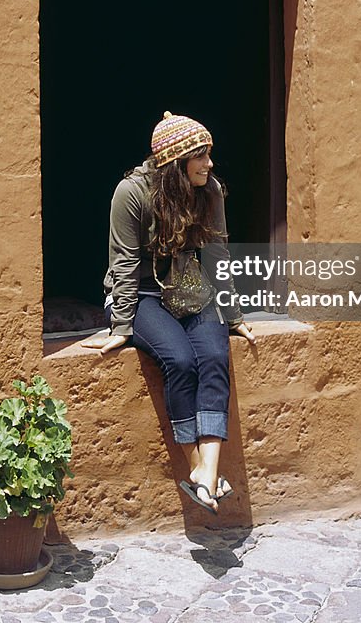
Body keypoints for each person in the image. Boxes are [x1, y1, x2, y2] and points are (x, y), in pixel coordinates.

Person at [83, 111, 256, 513]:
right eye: (201, 156)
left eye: (209, 155)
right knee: (180, 359)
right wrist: (122, 325)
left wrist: (233, 316)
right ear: (177, 161)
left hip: (190, 289)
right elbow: (124, 262)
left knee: (214, 354)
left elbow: (217, 254)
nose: (209, 164)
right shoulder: (132, 193)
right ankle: (197, 469)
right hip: (142, 295)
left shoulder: (209, 191)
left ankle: (206, 475)